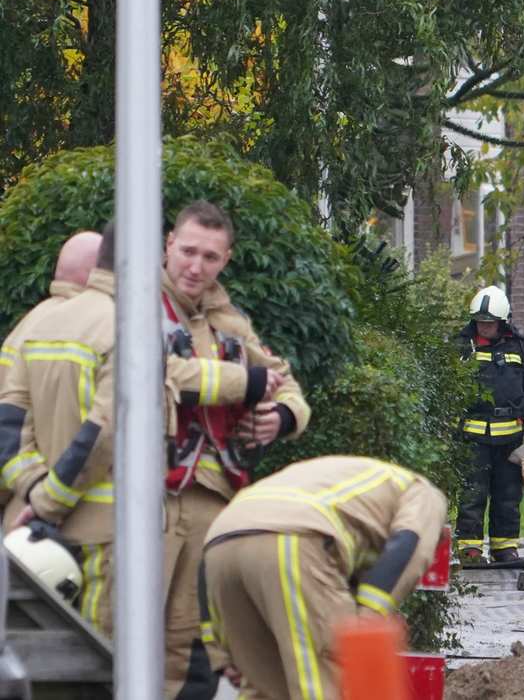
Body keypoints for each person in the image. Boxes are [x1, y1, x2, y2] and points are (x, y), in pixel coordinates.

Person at [0, 221, 270, 639]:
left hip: (33, 534)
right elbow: (104, 433)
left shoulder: (37, 326)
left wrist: (34, 492)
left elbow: (11, 428)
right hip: (107, 536)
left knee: (39, 659)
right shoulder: (132, 333)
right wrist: (51, 502)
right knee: (105, 663)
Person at [160, 200, 312, 698]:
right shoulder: (138, 308)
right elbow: (158, 374)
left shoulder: (227, 320)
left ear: (225, 260)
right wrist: (245, 383)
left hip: (213, 499)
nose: (195, 266)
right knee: (127, 630)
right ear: (168, 246)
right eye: (187, 251)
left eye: (209, 256)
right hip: (148, 496)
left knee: (188, 643)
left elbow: (284, 384)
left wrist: (281, 417)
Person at [199, 455, 447, 700]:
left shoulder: (348, 484)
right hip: (293, 540)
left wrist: (216, 647)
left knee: (265, 691)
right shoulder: (423, 493)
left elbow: (204, 576)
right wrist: (367, 616)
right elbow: (410, 544)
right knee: (326, 680)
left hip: (218, 543)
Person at [0, 231, 101, 528]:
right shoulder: (95, 329)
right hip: (77, 508)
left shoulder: (25, 328)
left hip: (18, 505)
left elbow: (8, 428)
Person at [454, 285, 524, 564]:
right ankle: (470, 549)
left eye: (489, 323)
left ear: (502, 322)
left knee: (507, 496)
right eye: (480, 321)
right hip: (472, 438)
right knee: (472, 494)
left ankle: (505, 548)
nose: (484, 326)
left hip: (511, 440)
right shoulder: (461, 346)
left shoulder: (522, 348)